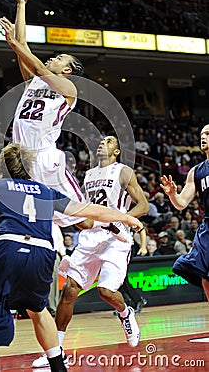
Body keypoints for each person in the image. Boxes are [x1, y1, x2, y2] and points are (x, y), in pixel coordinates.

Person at [0, 143, 143, 372]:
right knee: (38, 309)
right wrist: (126, 218)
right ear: (29, 168)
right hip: (42, 254)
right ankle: (57, 365)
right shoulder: (44, 190)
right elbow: (89, 210)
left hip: (7, 249)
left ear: (1, 167)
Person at [0, 0, 127, 240]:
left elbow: (30, 59)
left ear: (67, 70)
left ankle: (115, 223)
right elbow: (23, 46)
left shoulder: (68, 88)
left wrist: (15, 45)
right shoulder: (33, 81)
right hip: (22, 160)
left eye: (59, 59)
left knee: (81, 217)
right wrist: (22, 6)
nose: (52, 59)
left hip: (46, 160)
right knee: (48, 216)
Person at [32, 135, 148, 368]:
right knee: (69, 291)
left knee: (106, 291)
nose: (102, 143)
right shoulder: (88, 175)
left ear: (116, 151)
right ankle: (55, 351)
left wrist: (123, 220)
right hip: (91, 237)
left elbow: (143, 206)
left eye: (109, 141)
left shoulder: (123, 171)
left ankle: (125, 312)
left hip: (115, 237)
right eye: (101, 140)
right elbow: (85, 211)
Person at [160, 123, 209, 297]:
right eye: (202, 134)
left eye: (208, 133)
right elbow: (181, 204)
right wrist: (172, 194)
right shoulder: (196, 172)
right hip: (208, 228)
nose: (203, 137)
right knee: (205, 275)